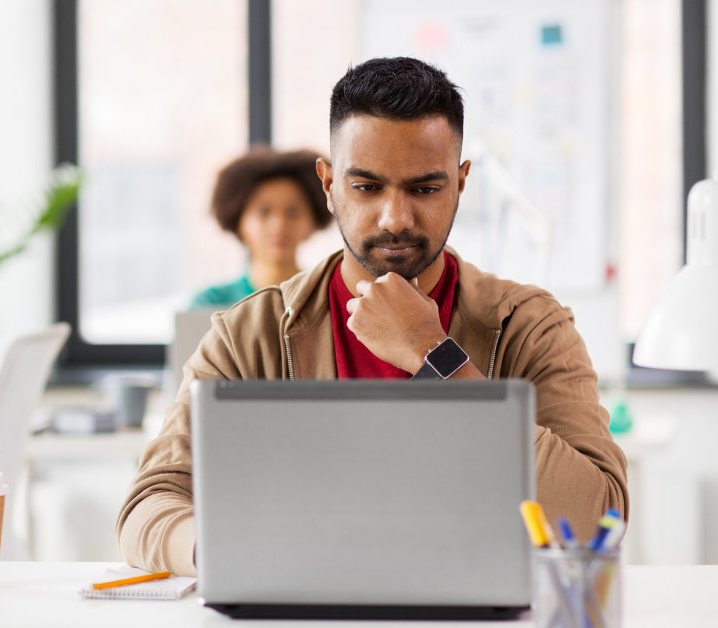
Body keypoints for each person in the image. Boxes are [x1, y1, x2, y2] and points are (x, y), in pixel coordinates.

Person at [117, 58, 628, 576]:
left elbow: (598, 517)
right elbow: (148, 507)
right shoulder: (248, 333)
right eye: (366, 187)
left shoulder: (531, 324)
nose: (396, 219)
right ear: (329, 184)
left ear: (461, 182)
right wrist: (228, 552)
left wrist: (435, 355)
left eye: (425, 189)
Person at [189, 148, 333, 310]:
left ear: (313, 220)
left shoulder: (331, 299)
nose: (279, 225)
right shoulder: (209, 304)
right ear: (239, 221)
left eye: (293, 212)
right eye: (263, 212)